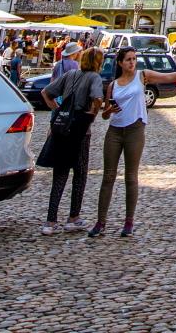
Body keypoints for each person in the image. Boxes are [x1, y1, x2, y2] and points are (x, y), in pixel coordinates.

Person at [40, 48, 104, 233]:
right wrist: (92, 115)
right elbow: (97, 98)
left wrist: (58, 109)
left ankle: (50, 222)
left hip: (62, 129)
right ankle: (73, 218)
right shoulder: (94, 77)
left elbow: (46, 92)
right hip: (81, 131)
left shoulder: (70, 74)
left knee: (60, 174)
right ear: (98, 62)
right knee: (80, 173)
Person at [89, 50, 149, 238]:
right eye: (128, 60)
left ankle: (128, 222)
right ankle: (101, 222)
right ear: (120, 63)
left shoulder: (142, 76)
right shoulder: (113, 85)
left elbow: (167, 76)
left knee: (131, 177)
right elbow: (105, 114)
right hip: (115, 131)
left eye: (134, 59)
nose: (132, 63)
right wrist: (108, 110)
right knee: (108, 177)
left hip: (135, 130)